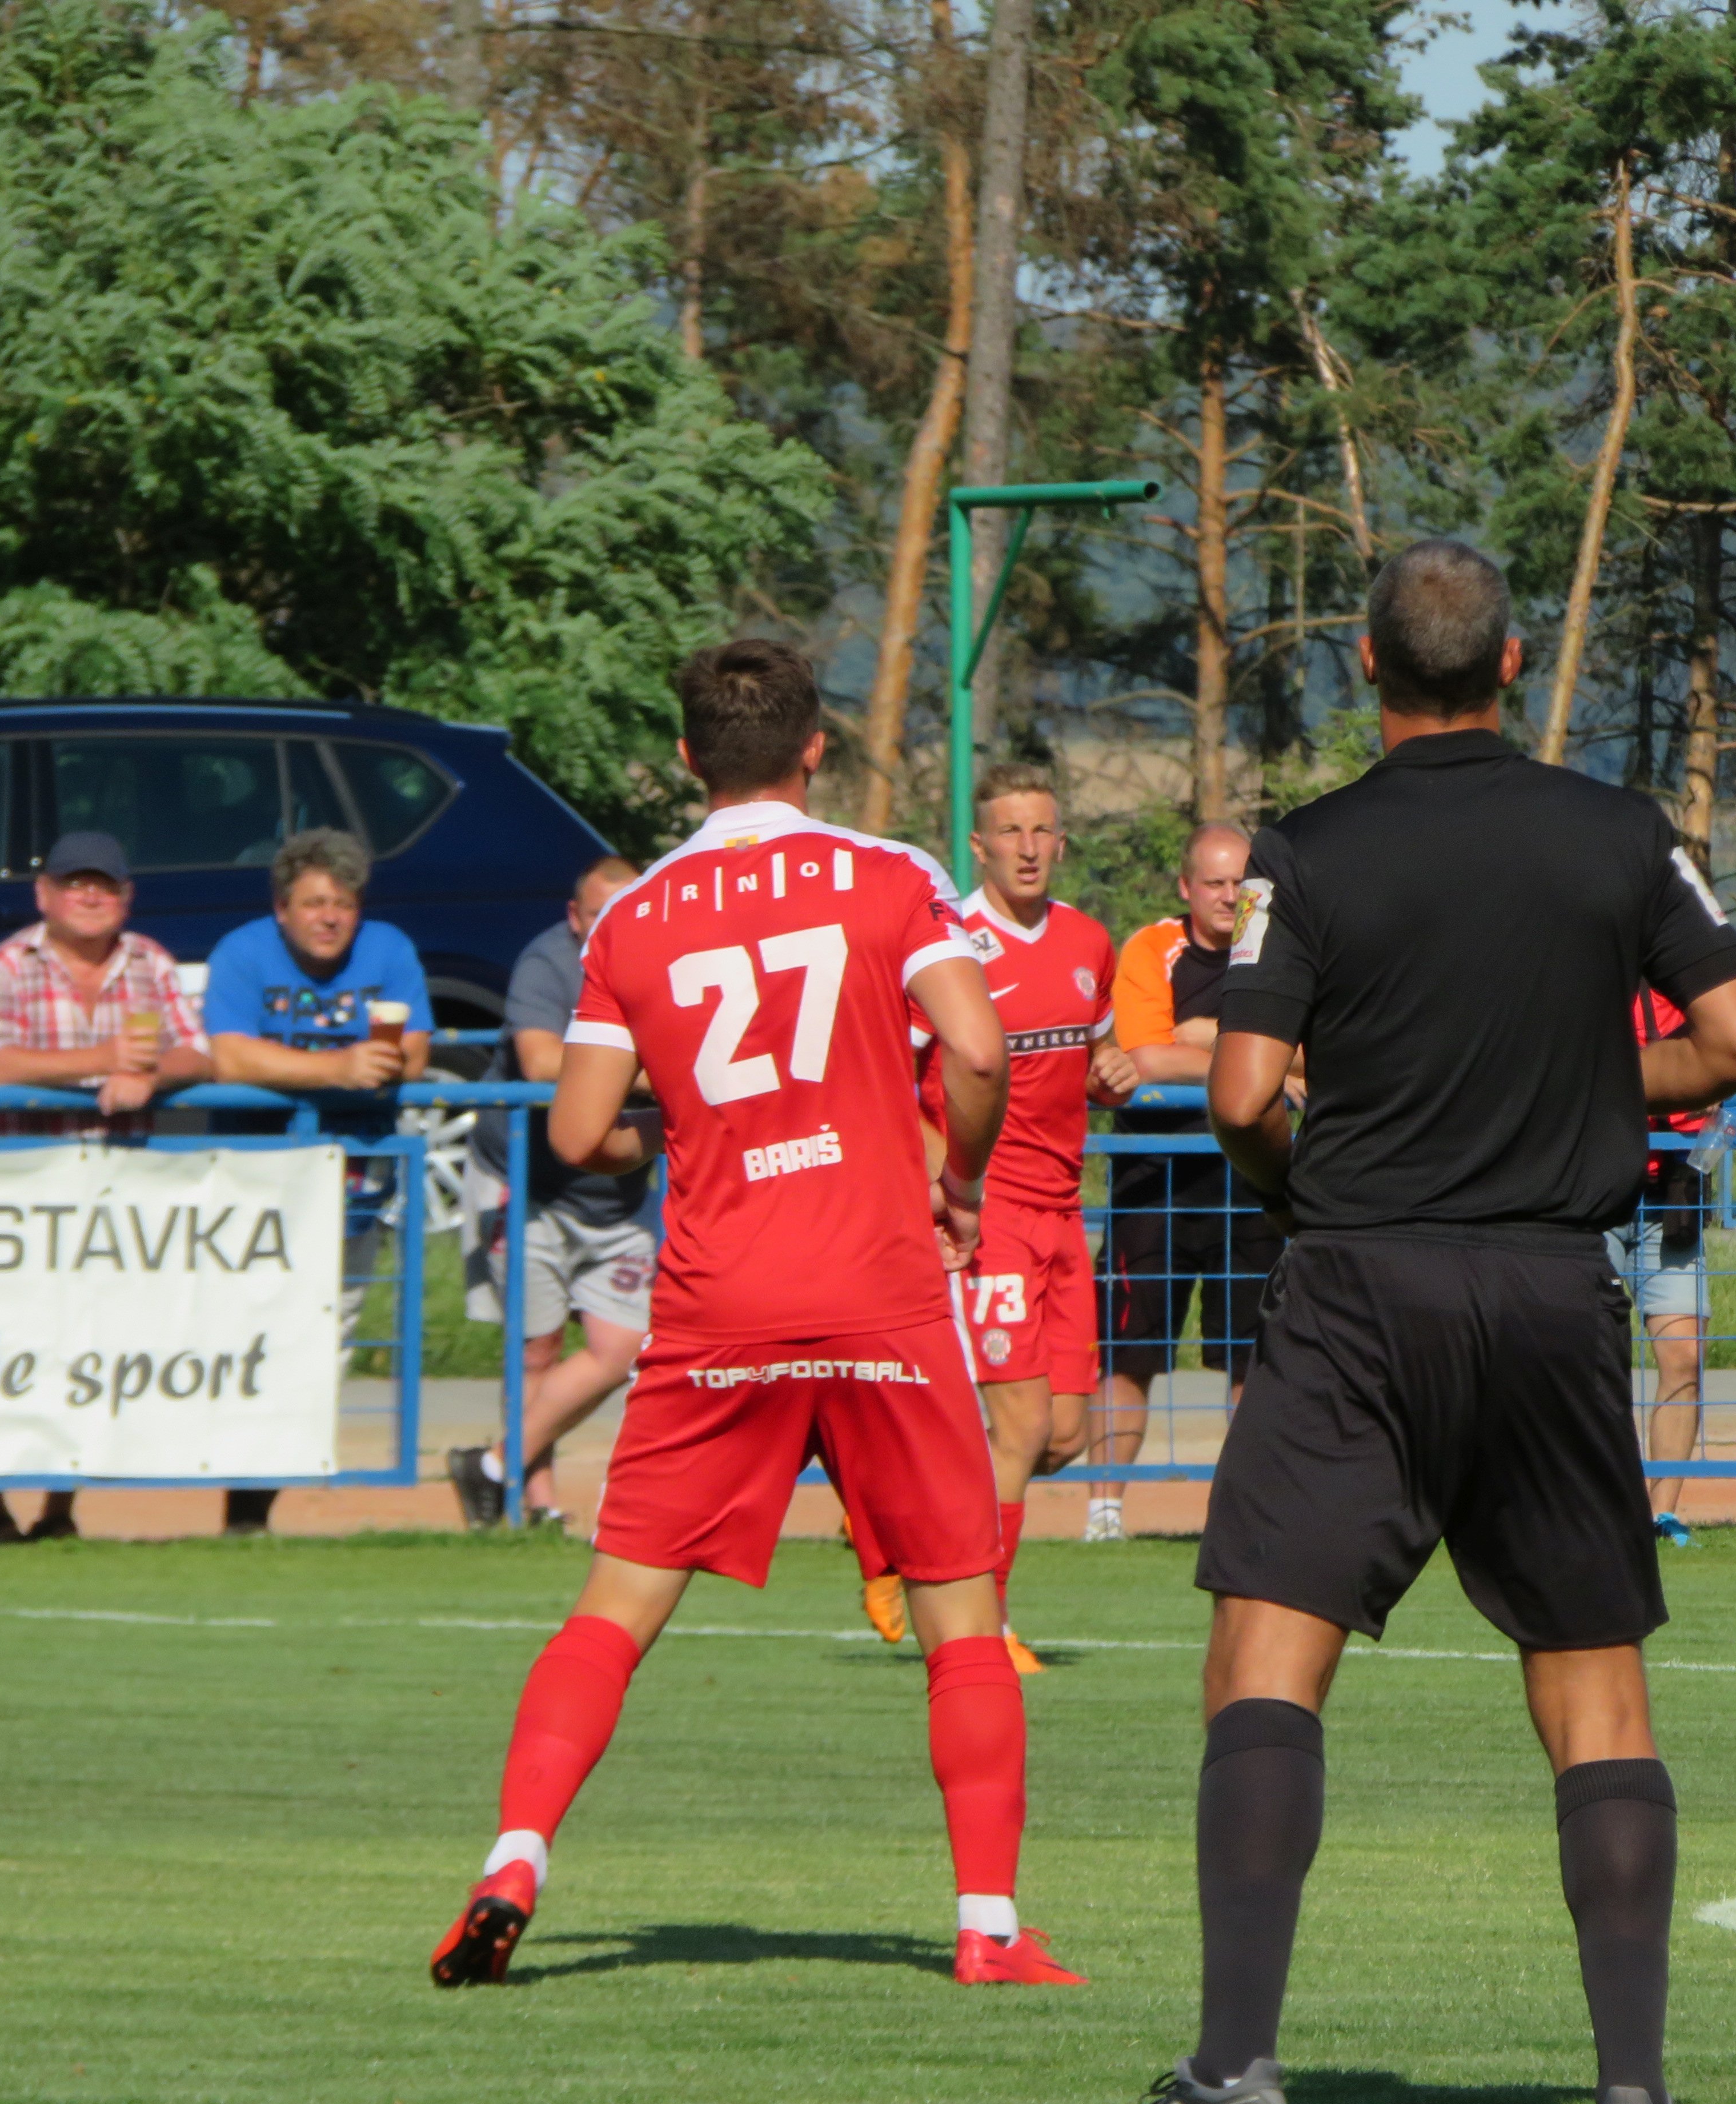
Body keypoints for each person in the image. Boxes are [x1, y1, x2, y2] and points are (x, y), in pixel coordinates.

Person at [1067, 541, 1736, 2104]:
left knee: (1265, 1658)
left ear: (1368, 669)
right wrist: (1583, 1091)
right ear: (1512, 663)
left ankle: (1234, 2072)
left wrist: (1309, 1172)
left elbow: (1240, 1094)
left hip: (1357, 1289)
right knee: (1594, 1689)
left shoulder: (1305, 852)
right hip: (1550, 1288)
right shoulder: (1619, 834)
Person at [428, 638, 1081, 1991]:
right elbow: (976, 1050)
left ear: (686, 758)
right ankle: (988, 1925)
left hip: (720, 1296)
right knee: (960, 1615)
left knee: (614, 1609)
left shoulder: (632, 916)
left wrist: (677, 1129)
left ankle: (514, 1857)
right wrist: (960, 1181)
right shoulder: (889, 875)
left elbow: (580, 1131)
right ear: (815, 749)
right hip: (879, 1285)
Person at [888, 762, 1135, 1659]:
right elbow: (895, 1080)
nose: (1028, 849)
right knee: (1021, 1428)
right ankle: (983, 1628)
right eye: (1010, 832)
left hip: (1066, 1216)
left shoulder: (1087, 942)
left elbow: (1098, 1060)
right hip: (988, 1216)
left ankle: (899, 1531)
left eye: (1042, 832)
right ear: (979, 845)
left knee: (1062, 1436)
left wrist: (1115, 1072)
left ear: (1060, 842)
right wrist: (944, 1187)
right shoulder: (948, 948)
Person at [204, 827, 433, 1536]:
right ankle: (238, 1492)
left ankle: (255, 1506)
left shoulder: (389, 950)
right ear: (282, 907)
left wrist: (378, 1065)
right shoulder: (243, 952)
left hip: (354, 1181)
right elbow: (231, 1058)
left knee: (330, 1334)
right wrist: (337, 1069)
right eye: (314, 903)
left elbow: (414, 1054)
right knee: (247, 1329)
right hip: (256, 1180)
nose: (330, 917)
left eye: (344, 903)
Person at [0, 831, 213, 1544]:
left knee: (92, 1346)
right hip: (21, 1195)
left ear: (127, 896)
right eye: (75, 883)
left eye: (105, 884)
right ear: (44, 894)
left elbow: (197, 1051)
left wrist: (149, 1075)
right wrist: (105, 1059)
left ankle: (60, 1505)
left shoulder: (151, 961)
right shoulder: (10, 963)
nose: (90, 896)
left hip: (119, 1192)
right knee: (11, 1343)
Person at [448, 856, 654, 1531]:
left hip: (616, 1189)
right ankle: (534, 1504)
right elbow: (539, 1062)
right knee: (536, 1349)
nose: (612, 926)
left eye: (626, 912)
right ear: (574, 916)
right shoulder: (547, 962)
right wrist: (646, 1068)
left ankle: (492, 1466)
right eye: (598, 914)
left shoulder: (669, 955)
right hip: (526, 1178)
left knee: (622, 1348)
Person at [1092, 820, 1285, 1539]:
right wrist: (1247, 1055)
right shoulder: (1153, 949)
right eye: (1215, 883)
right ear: (1186, 887)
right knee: (1127, 1354)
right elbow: (1143, 1058)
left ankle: (1243, 1516)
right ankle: (1103, 1512)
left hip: (1248, 1184)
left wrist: (1200, 1037)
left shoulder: (1277, 948)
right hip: (1155, 1184)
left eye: (1241, 883)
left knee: (1251, 1360)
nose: (1230, 897)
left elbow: (1313, 1051)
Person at [1609, 987, 1736, 1546]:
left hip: (1673, 1196)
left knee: (1684, 1357)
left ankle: (1660, 1515)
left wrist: (1711, 1077)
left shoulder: (1696, 984)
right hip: (1589, 1188)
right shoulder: (1584, 971)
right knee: (1586, 1359)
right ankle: (1597, 1511)